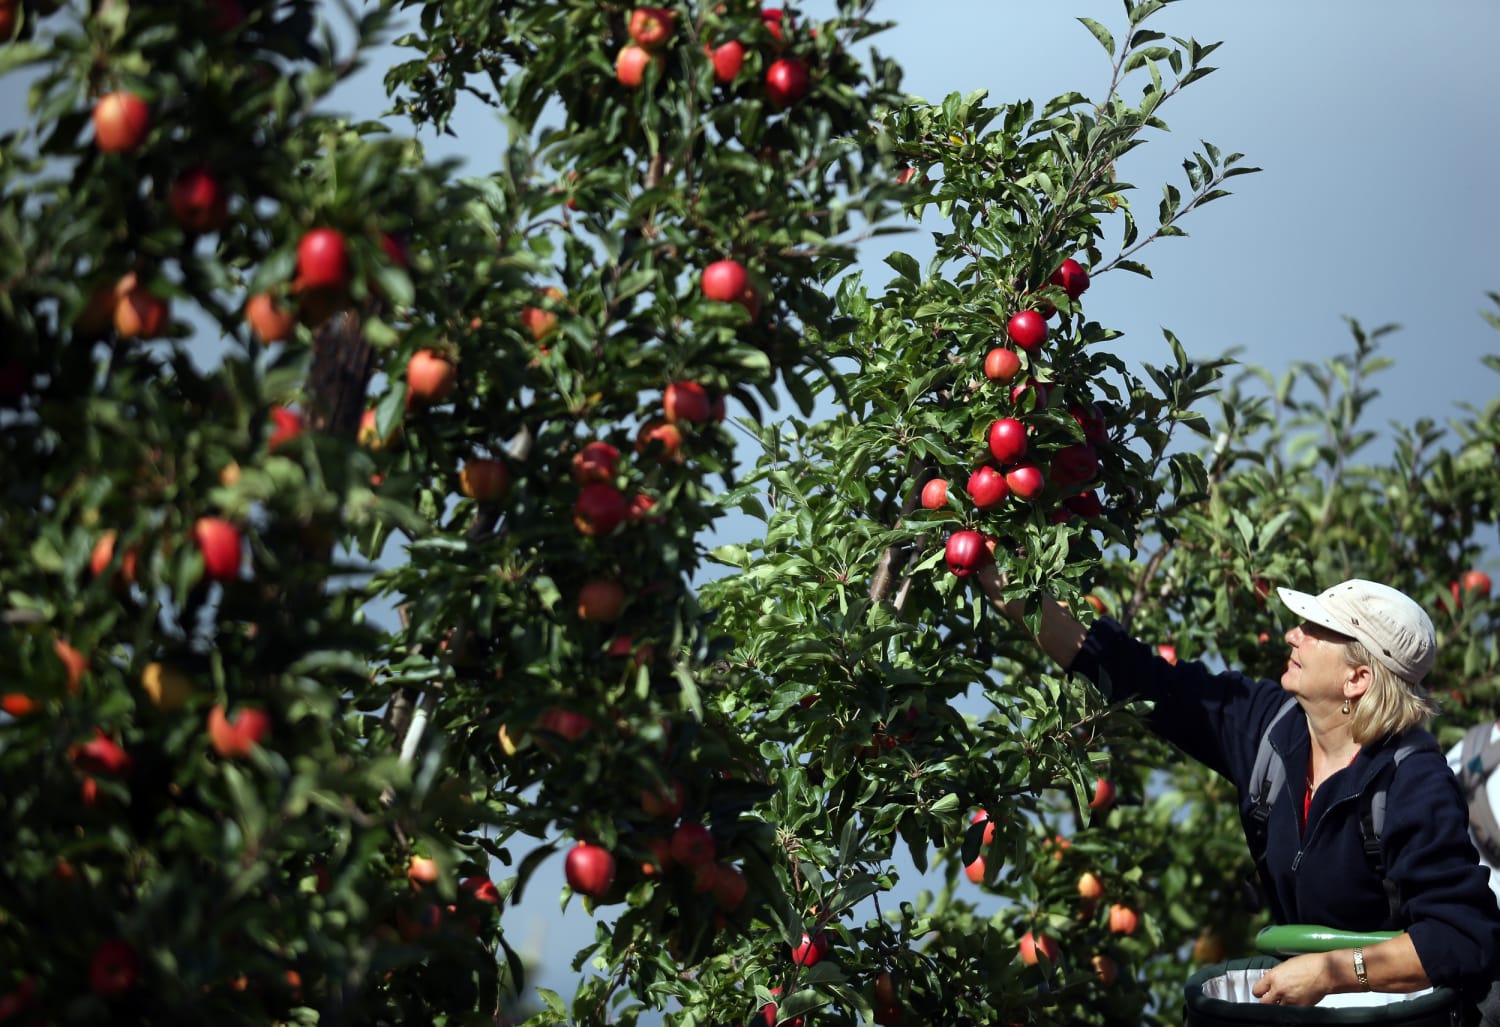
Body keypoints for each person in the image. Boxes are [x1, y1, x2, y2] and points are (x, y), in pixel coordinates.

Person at [978, 568, 1500, 1016]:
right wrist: (1010, 594)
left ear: (1356, 679)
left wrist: (1336, 971)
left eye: (1316, 629)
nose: (1294, 635)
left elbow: (1463, 935)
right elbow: (1139, 676)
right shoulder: (1271, 731)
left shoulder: (1411, 781)